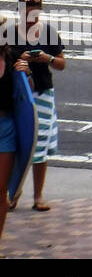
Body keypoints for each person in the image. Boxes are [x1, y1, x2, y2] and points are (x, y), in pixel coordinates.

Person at [10, 0, 64, 212]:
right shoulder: (8, 34)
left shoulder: (49, 34)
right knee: (15, 144)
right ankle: (13, 192)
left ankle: (38, 195)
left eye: (34, 15)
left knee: (40, 145)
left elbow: (61, 63)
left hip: (42, 92)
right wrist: (18, 59)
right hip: (16, 93)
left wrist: (47, 58)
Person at [0, 28, 32, 241]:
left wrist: (26, 74)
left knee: (1, 191)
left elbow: (27, 95)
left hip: (6, 128)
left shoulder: (11, 58)